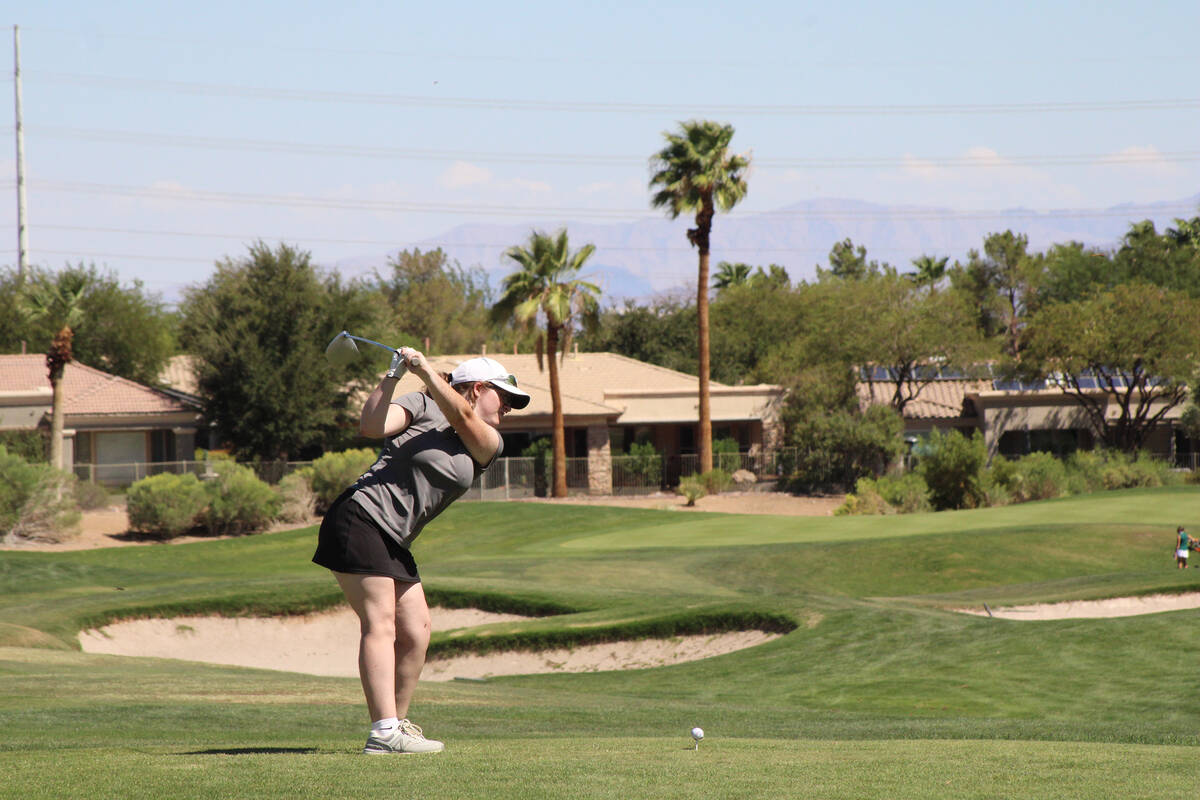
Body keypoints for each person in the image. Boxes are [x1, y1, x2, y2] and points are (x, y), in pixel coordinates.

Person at [312, 348, 530, 754]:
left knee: (417, 632)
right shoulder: (423, 403)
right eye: (503, 398)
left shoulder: (487, 443)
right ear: (477, 389)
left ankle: (397, 724)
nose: (509, 409)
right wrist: (393, 376)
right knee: (381, 623)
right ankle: (383, 731)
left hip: (394, 538)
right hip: (360, 516)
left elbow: (462, 418)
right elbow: (372, 425)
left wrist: (427, 371)